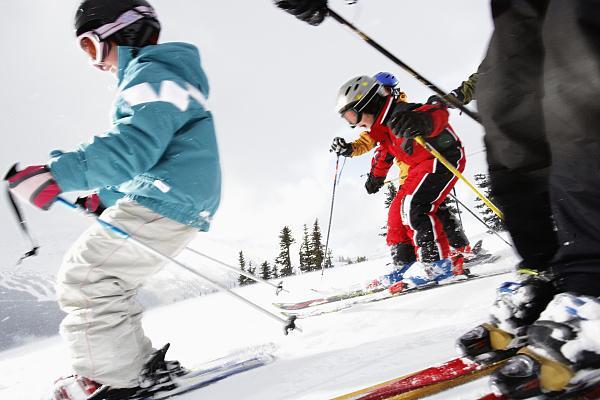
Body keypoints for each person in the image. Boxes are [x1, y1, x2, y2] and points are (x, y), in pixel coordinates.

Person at [5, 0, 221, 398]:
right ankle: (135, 367)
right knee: (106, 279)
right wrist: (102, 197)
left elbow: (134, 147)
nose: (93, 62)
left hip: (166, 196)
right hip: (174, 192)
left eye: (90, 45)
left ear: (124, 31)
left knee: (85, 276)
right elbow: (151, 152)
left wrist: (57, 174)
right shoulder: (162, 76)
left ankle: (112, 378)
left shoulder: (150, 74)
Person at [331, 72, 474, 269]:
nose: (354, 125)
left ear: (369, 104)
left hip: (440, 158)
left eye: (352, 116)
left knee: (416, 207)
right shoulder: (381, 129)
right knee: (397, 214)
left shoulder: (402, 113)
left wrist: (423, 122)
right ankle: (405, 263)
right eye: (348, 120)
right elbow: (384, 154)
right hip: (417, 168)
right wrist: (375, 177)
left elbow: (437, 112)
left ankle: (436, 262)